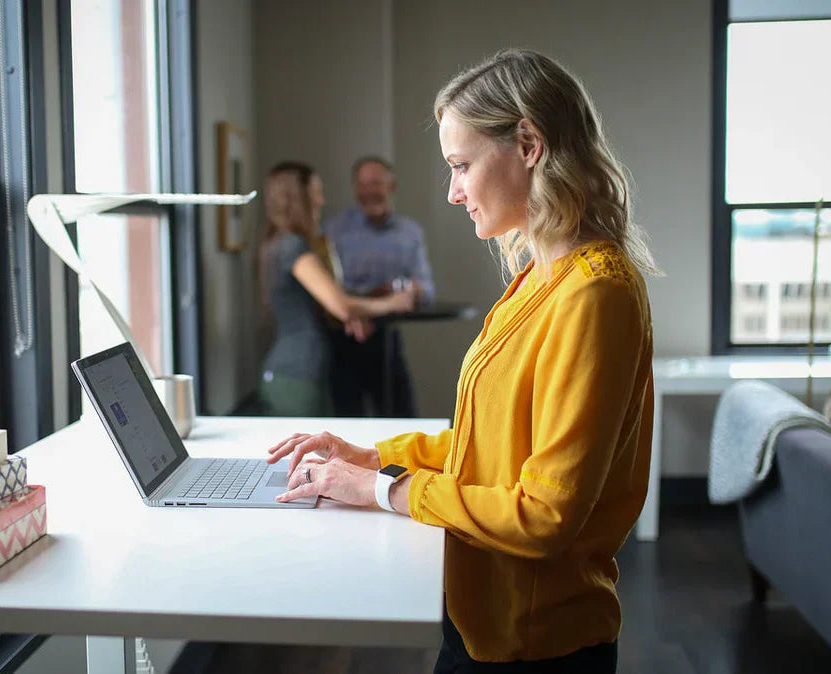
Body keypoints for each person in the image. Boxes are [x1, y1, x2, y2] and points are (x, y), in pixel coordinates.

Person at [266, 49, 660, 672]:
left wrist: (382, 490)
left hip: (536, 645)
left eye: (461, 166)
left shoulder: (595, 294)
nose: (452, 192)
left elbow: (544, 514)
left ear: (528, 143)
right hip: (481, 618)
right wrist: (377, 457)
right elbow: (494, 448)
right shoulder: (540, 276)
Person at [257, 161, 414, 417]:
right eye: (316, 193)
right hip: (296, 375)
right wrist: (393, 303)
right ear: (300, 198)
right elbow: (340, 304)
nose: (321, 201)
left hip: (294, 373)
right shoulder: (293, 247)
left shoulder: (280, 243)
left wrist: (351, 315)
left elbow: (329, 306)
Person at [322, 156, 436, 418]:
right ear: (354, 189)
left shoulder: (410, 232)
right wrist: (375, 301)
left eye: (376, 183)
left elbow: (427, 290)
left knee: (402, 421)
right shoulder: (333, 231)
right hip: (343, 342)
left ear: (391, 186)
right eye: (362, 184)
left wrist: (408, 291)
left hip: (387, 342)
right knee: (347, 426)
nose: (369, 191)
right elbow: (330, 292)